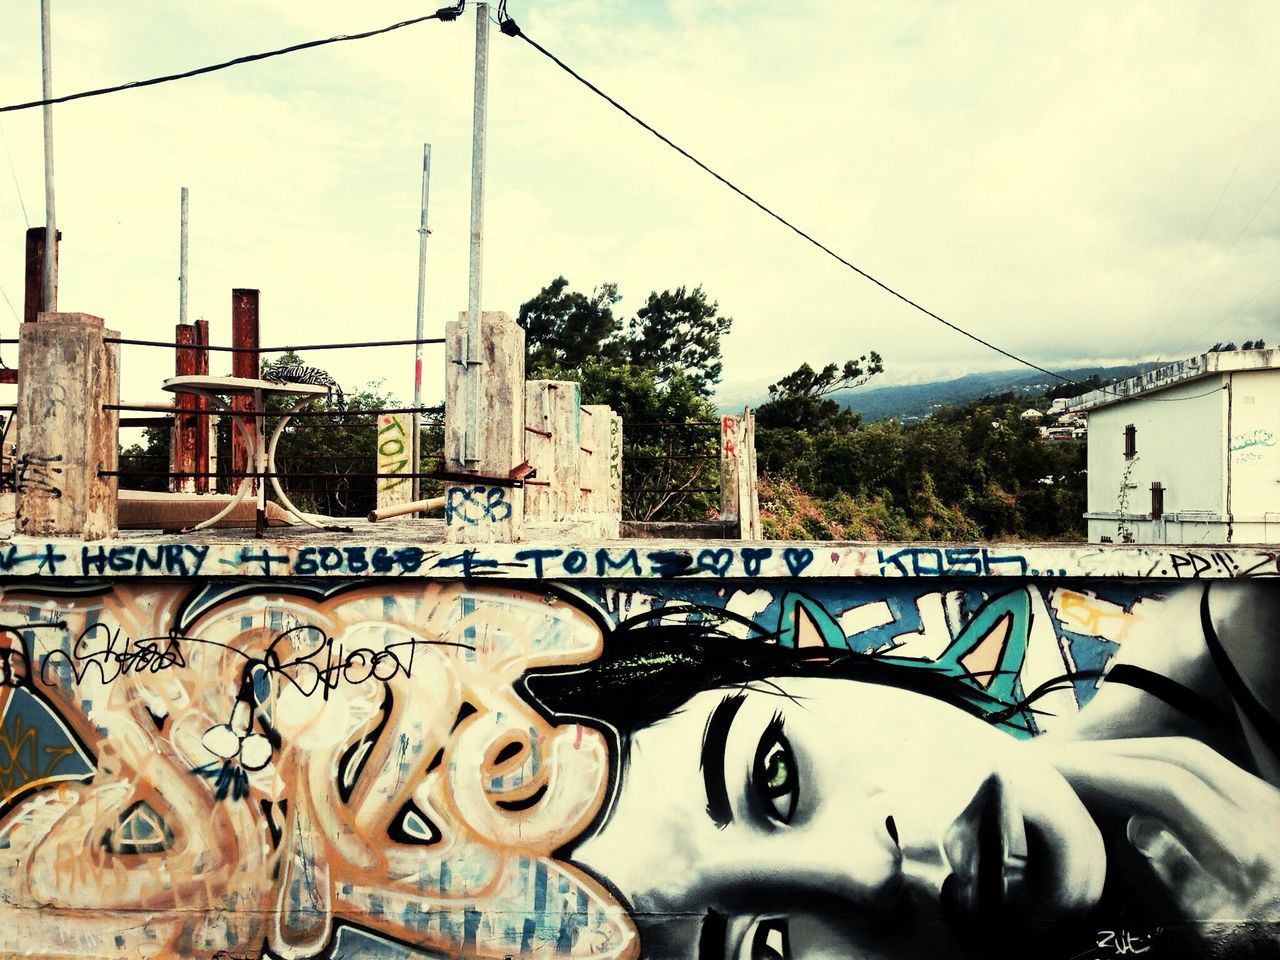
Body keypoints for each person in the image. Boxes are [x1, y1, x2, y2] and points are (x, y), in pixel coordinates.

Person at [524, 581, 1280, 960]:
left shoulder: (1249, 640)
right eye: (766, 950)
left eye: (776, 774)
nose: (864, 875)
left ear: (821, 672)